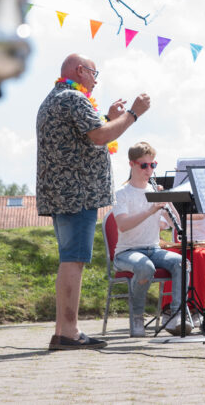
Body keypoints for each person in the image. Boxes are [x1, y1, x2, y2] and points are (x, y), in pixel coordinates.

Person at [37, 53, 150, 350]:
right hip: (77, 193)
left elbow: (85, 134)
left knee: (68, 260)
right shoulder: (74, 98)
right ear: (80, 70)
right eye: (94, 73)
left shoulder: (55, 97)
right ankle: (70, 332)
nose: (96, 80)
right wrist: (133, 115)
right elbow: (99, 136)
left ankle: (63, 329)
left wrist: (111, 118)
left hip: (62, 192)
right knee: (74, 260)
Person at [112, 142, 188, 338]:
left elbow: (174, 223)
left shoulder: (155, 191)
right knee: (145, 267)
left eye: (152, 165)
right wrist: (150, 210)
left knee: (182, 263)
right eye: (144, 165)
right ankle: (137, 316)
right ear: (132, 165)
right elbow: (123, 225)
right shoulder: (121, 194)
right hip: (126, 252)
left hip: (153, 248)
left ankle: (176, 315)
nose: (149, 170)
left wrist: (167, 201)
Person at [160, 211, 205, 327]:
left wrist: (175, 214)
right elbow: (163, 223)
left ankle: (195, 309)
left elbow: (201, 216)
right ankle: (169, 309)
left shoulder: (203, 199)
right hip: (180, 246)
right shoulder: (173, 198)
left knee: (198, 256)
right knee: (168, 257)